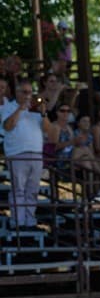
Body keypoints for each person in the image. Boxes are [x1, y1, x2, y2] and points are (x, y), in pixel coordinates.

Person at [1, 81, 54, 228]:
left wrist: (43, 113)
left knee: (32, 190)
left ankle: (29, 222)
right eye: (24, 92)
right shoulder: (8, 107)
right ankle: (18, 222)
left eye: (30, 92)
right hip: (17, 154)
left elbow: (48, 130)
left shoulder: (35, 110)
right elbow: (7, 126)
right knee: (18, 189)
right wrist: (20, 109)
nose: (28, 95)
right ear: (16, 93)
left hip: (36, 154)